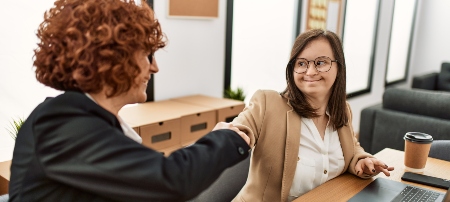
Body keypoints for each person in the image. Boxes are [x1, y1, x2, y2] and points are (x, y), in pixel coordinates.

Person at [8, 0, 250, 201]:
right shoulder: (60, 123)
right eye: (147, 55)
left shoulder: (92, 121)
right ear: (112, 58)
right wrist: (225, 139)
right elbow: (170, 180)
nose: (155, 67)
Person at [230, 29, 394, 202]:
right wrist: (231, 137)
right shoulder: (268, 103)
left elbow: (352, 148)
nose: (310, 72)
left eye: (321, 62)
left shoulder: (342, 109)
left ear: (339, 67)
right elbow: (240, 128)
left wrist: (361, 161)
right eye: (301, 63)